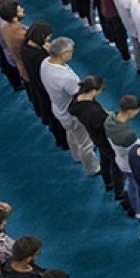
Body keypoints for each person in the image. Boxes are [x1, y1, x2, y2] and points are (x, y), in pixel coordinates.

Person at [41, 37, 101, 175]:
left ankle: (76, 156)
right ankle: (92, 169)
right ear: (64, 54)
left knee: (71, 133)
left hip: (59, 109)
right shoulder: (66, 78)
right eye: (71, 52)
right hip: (73, 115)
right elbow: (80, 96)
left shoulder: (45, 63)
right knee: (86, 144)